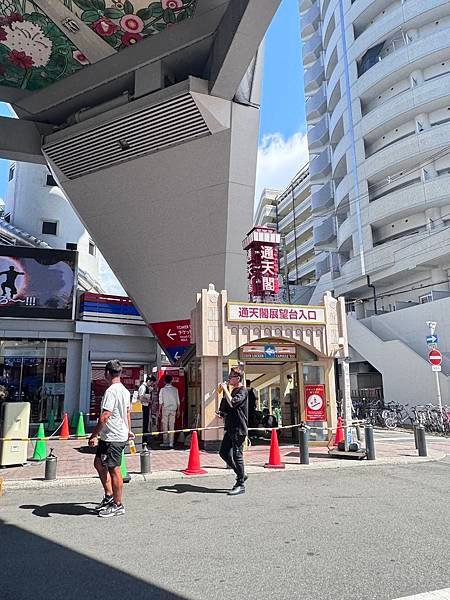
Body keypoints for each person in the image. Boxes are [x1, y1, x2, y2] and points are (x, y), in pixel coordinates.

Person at [88, 360, 134, 518]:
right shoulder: (125, 391)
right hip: (112, 435)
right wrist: (129, 430)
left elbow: (105, 416)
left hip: (113, 437)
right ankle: (109, 496)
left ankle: (118, 504)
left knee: (114, 469)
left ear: (107, 373)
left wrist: (93, 435)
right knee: (99, 463)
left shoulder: (111, 391)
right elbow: (128, 413)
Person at [218, 366, 248, 496]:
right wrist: (221, 414)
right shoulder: (233, 391)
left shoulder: (243, 391)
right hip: (230, 427)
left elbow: (234, 403)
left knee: (237, 455)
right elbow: (227, 407)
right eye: (229, 377)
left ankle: (241, 484)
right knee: (223, 452)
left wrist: (225, 389)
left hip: (239, 428)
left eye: (231, 377)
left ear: (238, 378)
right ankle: (241, 473)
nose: (229, 379)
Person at [159, 374, 179, 448]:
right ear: (171, 381)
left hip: (165, 409)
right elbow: (178, 401)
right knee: (172, 426)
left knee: (165, 426)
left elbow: (160, 401)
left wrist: (159, 410)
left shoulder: (162, 390)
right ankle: (171, 443)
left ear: (164, 381)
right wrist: (179, 410)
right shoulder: (175, 390)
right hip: (174, 409)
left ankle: (165, 442)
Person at [138, 378, 151, 443]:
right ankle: (143, 440)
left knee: (146, 424)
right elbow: (140, 398)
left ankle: (145, 439)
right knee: (144, 424)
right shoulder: (143, 387)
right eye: (151, 382)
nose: (151, 384)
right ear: (148, 381)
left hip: (146, 407)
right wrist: (148, 400)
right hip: (143, 407)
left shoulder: (146, 387)